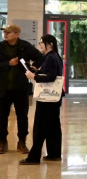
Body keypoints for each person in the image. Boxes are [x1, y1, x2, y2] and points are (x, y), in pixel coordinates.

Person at [0, 24, 43, 154]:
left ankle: (22, 142)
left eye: (8, 32)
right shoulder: (0, 47)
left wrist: (34, 67)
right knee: (2, 116)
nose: (5, 34)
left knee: (22, 116)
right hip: (3, 88)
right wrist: (8, 64)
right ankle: (2, 141)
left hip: (21, 88)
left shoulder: (25, 46)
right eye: (4, 32)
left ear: (16, 34)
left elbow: (40, 57)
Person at [20, 35, 64, 165]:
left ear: (50, 44)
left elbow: (51, 77)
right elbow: (50, 73)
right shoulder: (55, 56)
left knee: (40, 127)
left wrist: (33, 76)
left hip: (47, 98)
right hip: (54, 98)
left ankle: (33, 157)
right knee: (53, 126)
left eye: (42, 42)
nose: (39, 45)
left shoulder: (50, 57)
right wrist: (37, 71)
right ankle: (54, 154)